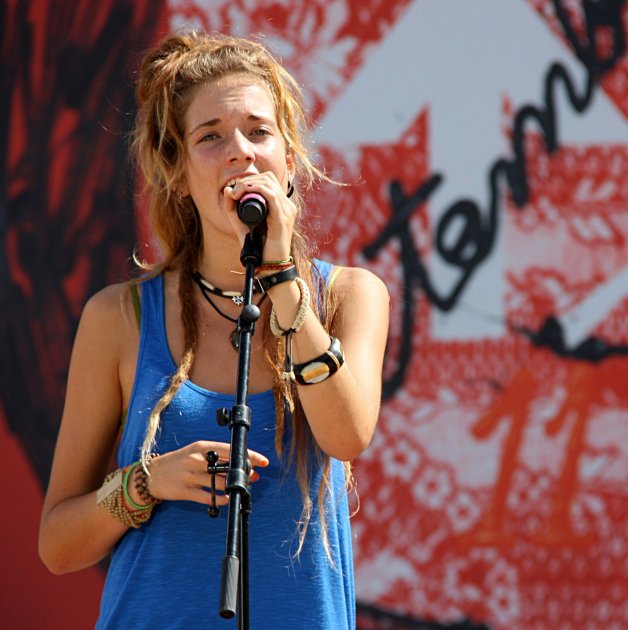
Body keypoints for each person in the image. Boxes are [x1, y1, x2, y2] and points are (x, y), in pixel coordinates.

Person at [38, 30, 389, 629]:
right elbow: (58, 544)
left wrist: (281, 278)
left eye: (259, 131)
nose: (241, 152)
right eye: (210, 137)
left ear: (289, 157)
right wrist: (146, 483)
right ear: (177, 174)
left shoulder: (350, 296)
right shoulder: (119, 317)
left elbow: (347, 435)